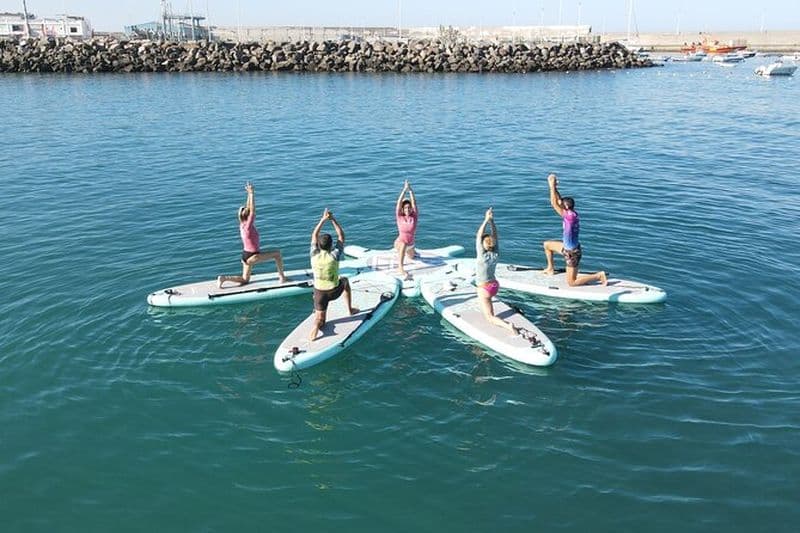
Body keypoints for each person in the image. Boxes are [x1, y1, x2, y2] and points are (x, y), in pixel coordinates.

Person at [542, 173, 607, 287]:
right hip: (567, 248)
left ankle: (599, 275)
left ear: (566, 207)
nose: (559, 204)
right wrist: (555, 188)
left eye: (562, 204)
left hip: (572, 253)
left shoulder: (569, 217)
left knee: (572, 282)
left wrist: (551, 186)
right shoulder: (571, 213)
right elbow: (558, 201)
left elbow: (553, 203)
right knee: (547, 245)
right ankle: (550, 268)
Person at [218, 181, 287, 288]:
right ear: (248, 216)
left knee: (245, 280)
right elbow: (253, 210)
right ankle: (282, 277)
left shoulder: (242, 224)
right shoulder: (249, 226)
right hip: (253, 255)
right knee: (277, 254)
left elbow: (249, 209)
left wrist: (249, 194)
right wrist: (252, 194)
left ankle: (224, 278)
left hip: (245, 255)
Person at [309, 208, 359, 341]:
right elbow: (341, 237)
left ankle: (316, 325)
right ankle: (350, 309)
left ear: (319, 246)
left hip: (319, 293)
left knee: (321, 319)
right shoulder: (334, 255)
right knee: (345, 281)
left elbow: (314, 235)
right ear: (331, 245)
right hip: (334, 291)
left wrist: (322, 220)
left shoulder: (313, 255)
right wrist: (333, 220)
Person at [475, 208, 518, 335]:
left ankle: (508, 326)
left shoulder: (481, 256)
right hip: (494, 286)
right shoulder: (496, 253)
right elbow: (496, 236)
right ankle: (487, 304)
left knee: (489, 317)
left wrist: (485, 220)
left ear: (483, 245)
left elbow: (478, 235)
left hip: (484, 288)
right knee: (485, 300)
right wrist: (492, 221)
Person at [393, 179, 418, 279]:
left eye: (409, 207)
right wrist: (404, 190)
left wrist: (410, 190)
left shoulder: (414, 217)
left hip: (411, 245)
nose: (407, 209)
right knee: (403, 244)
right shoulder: (399, 216)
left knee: (412, 257)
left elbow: (414, 203)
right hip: (400, 243)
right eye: (405, 208)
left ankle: (412, 251)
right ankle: (400, 268)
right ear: (403, 210)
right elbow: (399, 203)